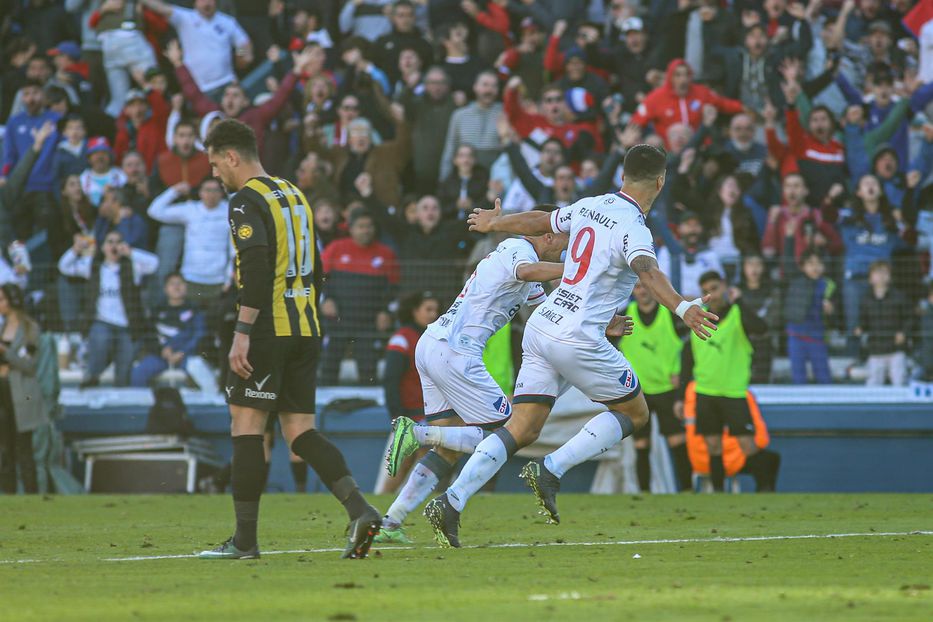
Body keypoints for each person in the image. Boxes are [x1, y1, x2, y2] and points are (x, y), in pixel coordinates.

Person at [425, 145, 718, 547]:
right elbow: (647, 271)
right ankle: (551, 468)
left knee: (522, 427)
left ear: (622, 176)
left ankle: (451, 501)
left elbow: (541, 220)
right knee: (634, 413)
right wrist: (683, 308)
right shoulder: (635, 227)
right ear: (660, 182)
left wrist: (497, 224)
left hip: (543, 324)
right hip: (578, 337)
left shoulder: (590, 205)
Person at [198, 118, 380, 560]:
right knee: (300, 431)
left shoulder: (245, 201)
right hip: (306, 327)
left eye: (215, 164)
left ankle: (244, 541)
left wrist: (242, 333)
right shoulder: (294, 194)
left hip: (267, 330)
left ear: (232, 157)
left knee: (246, 427)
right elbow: (317, 267)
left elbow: (256, 270)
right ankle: (360, 510)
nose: (215, 174)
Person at [380, 207, 568, 544]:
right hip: (456, 352)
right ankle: (418, 434)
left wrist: (597, 325)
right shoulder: (518, 249)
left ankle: (391, 522)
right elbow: (527, 271)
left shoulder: (524, 268)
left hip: (434, 344)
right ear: (549, 236)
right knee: (507, 434)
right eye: (565, 245)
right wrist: (578, 270)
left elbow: (546, 315)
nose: (566, 252)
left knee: (448, 448)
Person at [677, 271, 770, 492]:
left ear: (725, 287)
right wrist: (680, 397)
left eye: (715, 288)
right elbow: (687, 361)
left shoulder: (738, 314)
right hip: (705, 392)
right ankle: (719, 493)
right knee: (713, 445)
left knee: (747, 445)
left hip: (733, 392)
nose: (712, 294)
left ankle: (766, 485)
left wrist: (740, 301)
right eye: (706, 291)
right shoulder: (698, 319)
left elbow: (761, 328)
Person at [58, 230, 158, 387]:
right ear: (103, 247)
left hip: (128, 326)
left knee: (123, 374)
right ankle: (91, 377)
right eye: (110, 242)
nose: (114, 246)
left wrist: (130, 252)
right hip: (102, 322)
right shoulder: (92, 265)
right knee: (100, 341)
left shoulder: (133, 266)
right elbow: (64, 266)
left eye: (118, 242)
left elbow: (154, 263)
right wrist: (76, 249)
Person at [619, 281, 691, 493]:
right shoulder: (625, 316)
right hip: (639, 391)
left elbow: (689, 347)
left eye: (645, 286)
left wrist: (681, 377)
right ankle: (644, 494)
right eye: (637, 287)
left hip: (668, 389)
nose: (641, 291)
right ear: (632, 290)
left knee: (677, 441)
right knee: (641, 445)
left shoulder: (671, 315)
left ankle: (687, 491)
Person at [320, 209, 400, 385]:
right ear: (351, 229)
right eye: (361, 226)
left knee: (368, 369)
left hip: (368, 322)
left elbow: (394, 288)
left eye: (369, 226)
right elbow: (319, 278)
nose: (366, 230)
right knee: (328, 367)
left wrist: (386, 312)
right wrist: (325, 300)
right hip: (338, 320)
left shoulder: (386, 253)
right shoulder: (336, 248)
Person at [377, 291, 440, 496]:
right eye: (428, 309)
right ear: (414, 311)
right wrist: (397, 416)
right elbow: (391, 380)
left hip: (430, 418)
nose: (433, 314)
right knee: (393, 473)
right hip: (408, 418)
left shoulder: (436, 338)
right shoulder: (402, 339)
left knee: (424, 474)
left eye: (436, 310)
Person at [141, 0, 252, 97]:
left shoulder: (227, 22)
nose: (207, 3)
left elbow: (243, 43)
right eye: (202, 0)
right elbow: (161, 8)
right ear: (195, 2)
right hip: (199, 89)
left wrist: (241, 56)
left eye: (210, 0)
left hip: (227, 85)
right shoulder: (185, 17)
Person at [147, 178, 232, 304]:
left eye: (215, 190)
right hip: (190, 277)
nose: (211, 194)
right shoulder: (191, 209)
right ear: (200, 192)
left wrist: (228, 278)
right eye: (207, 190)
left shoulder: (229, 211)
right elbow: (154, 211)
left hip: (218, 279)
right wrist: (174, 191)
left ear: (221, 193)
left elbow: (233, 249)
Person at [0, 284, 47, 494]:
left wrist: (6, 352)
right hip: (2, 392)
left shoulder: (30, 330)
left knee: (23, 448)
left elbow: (29, 364)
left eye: (2, 299)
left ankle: (31, 494)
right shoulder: (2, 328)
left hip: (21, 395)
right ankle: (8, 495)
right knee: (5, 449)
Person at [130, 272, 214, 389]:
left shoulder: (195, 310)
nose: (176, 287)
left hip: (187, 356)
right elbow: (149, 336)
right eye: (172, 284)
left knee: (199, 370)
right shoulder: (157, 310)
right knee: (138, 373)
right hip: (161, 357)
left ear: (186, 287)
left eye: (180, 283)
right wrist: (161, 351)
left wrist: (183, 352)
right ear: (165, 289)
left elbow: (199, 335)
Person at [783, 249, 836, 384]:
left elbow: (835, 315)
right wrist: (789, 238)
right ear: (802, 266)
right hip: (796, 336)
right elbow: (787, 263)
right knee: (798, 377)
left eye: (819, 263)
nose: (815, 267)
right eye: (810, 263)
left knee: (823, 377)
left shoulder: (828, 285)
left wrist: (831, 310)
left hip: (817, 337)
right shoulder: (795, 280)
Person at [856, 260, 911, 386]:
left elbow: (909, 318)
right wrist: (860, 328)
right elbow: (863, 321)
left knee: (899, 382)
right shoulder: (865, 299)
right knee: (873, 385)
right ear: (870, 278)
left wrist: (903, 333)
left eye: (885, 272)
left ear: (890, 276)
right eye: (877, 272)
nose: (881, 276)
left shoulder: (899, 297)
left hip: (896, 349)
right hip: (875, 349)